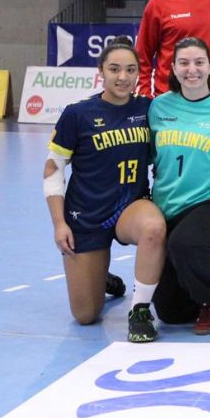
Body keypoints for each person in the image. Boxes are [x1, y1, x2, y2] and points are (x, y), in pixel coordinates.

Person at [43, 37, 166, 342]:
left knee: (153, 227)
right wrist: (59, 224)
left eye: (129, 70)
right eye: (114, 69)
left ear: (139, 73)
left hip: (129, 208)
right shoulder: (77, 114)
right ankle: (102, 279)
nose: (122, 77)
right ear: (101, 72)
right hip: (86, 214)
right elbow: (53, 169)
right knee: (85, 316)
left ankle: (139, 311)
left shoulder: (149, 109)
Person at [147, 37, 210, 335]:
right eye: (184, 63)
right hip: (167, 206)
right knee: (171, 313)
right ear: (173, 68)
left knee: (185, 244)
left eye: (199, 62)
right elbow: (151, 157)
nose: (192, 70)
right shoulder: (158, 108)